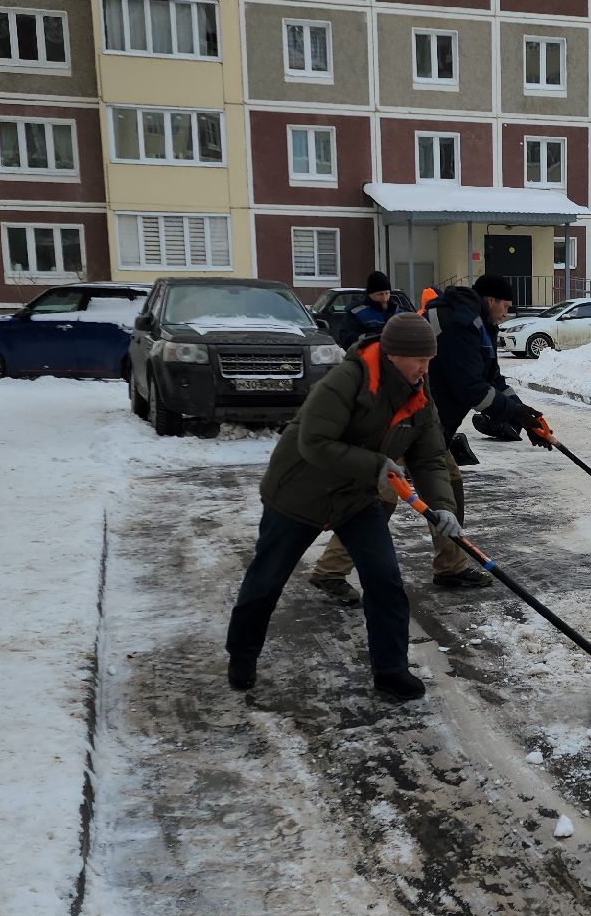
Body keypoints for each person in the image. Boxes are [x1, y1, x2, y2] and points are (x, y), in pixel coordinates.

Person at [225, 314, 461, 702]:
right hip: (299, 492)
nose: (425, 368)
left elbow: (430, 455)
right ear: (392, 356)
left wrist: (442, 506)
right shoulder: (347, 380)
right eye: (419, 360)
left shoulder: (418, 390)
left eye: (429, 360)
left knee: (384, 579)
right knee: (267, 578)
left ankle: (391, 670)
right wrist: (375, 466)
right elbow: (314, 442)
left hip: (355, 497)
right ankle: (242, 654)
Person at [423, 273, 553, 586]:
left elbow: (492, 378)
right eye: (505, 306)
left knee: (449, 489)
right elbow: (470, 388)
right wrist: (515, 414)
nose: (507, 313)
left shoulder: (480, 326)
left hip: (433, 426)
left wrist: (526, 417)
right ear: (491, 300)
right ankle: (331, 569)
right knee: (379, 496)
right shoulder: (461, 324)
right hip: (411, 424)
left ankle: (449, 568)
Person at [336, 270, 395, 350]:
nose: (385, 298)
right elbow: (346, 339)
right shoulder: (357, 312)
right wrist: (371, 337)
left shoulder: (398, 311)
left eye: (387, 293)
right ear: (370, 294)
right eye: (380, 294)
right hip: (365, 356)